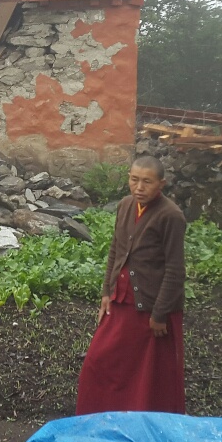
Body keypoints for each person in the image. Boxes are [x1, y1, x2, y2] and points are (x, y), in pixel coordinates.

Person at [75, 155, 187, 416]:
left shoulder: (171, 216)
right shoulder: (126, 205)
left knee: (149, 376)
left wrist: (160, 315)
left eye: (147, 182)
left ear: (162, 184)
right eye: (134, 180)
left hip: (152, 309)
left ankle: (144, 425)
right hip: (122, 300)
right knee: (98, 362)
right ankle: (101, 418)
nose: (139, 187)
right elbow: (116, 249)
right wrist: (107, 291)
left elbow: (175, 269)